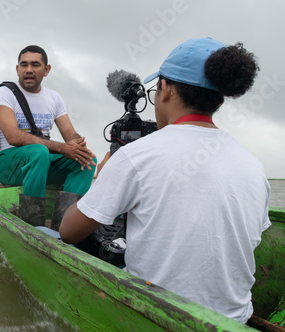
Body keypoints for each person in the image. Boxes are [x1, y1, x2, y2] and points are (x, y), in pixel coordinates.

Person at [59, 37, 270, 324]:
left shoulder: (136, 156)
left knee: (45, 233)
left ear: (166, 90)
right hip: (235, 319)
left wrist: (102, 179)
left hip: (156, 315)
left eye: (156, 89)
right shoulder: (254, 168)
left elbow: (69, 232)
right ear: (219, 101)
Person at [0, 45, 97, 227]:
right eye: (24, 65)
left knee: (87, 160)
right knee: (39, 152)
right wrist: (63, 148)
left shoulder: (54, 98)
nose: (29, 70)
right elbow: (13, 137)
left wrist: (78, 146)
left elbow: (69, 133)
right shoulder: (4, 93)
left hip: (41, 162)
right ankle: (33, 225)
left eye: (35, 65)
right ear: (17, 69)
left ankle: (63, 225)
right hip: (5, 163)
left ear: (46, 70)